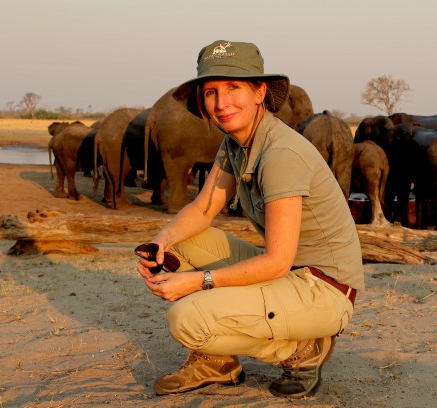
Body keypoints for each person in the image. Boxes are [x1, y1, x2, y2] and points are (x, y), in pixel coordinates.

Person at [136, 40, 364, 399]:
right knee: (181, 240)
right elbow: (202, 209)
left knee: (186, 318)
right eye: (211, 92)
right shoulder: (235, 145)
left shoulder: (282, 153)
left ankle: (302, 350)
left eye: (233, 88)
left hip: (322, 289)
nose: (221, 103)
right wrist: (161, 241)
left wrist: (199, 281)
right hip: (291, 274)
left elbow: (275, 262)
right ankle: (218, 363)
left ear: (259, 92)